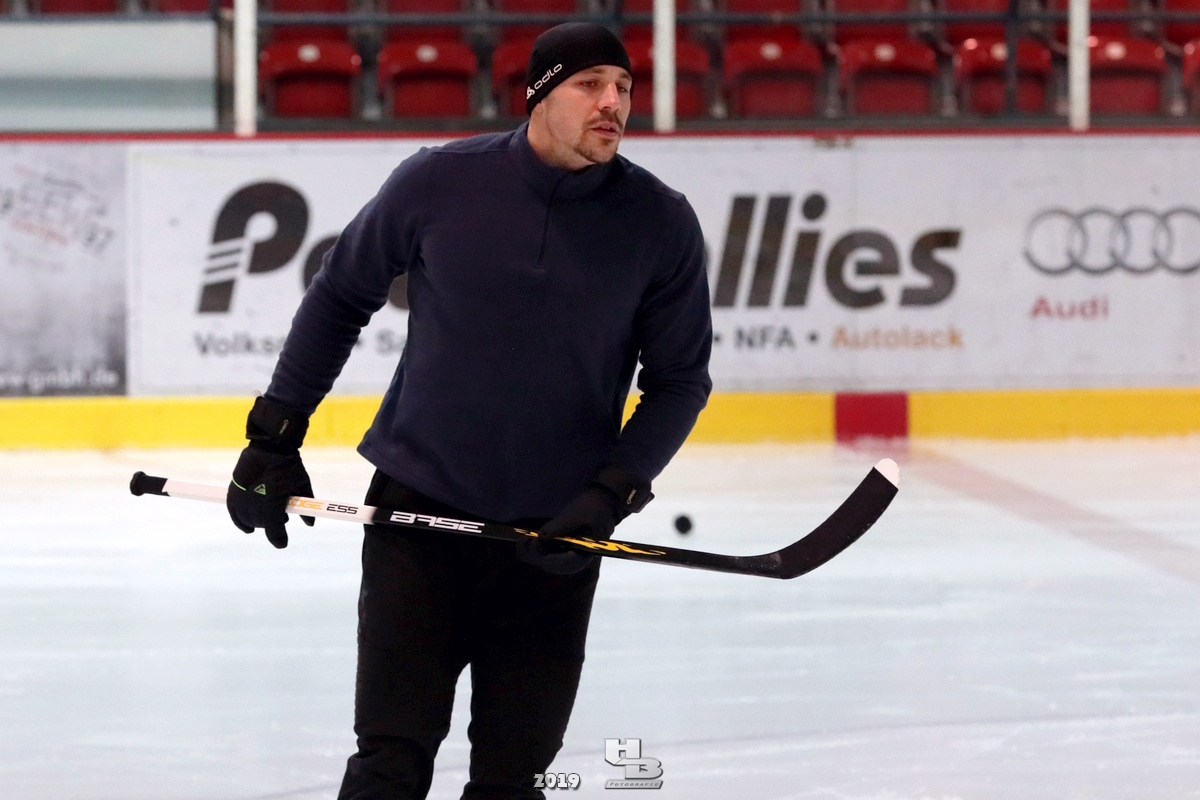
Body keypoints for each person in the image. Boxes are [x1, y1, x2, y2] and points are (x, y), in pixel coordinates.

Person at [225, 22, 712, 800]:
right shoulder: (439, 182)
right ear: (540, 94)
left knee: (512, 780)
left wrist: (611, 492)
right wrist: (274, 436)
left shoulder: (660, 220)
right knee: (389, 762)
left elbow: (681, 380)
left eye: (623, 86)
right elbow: (341, 293)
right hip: (418, 517)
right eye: (590, 84)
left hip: (556, 538)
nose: (613, 103)